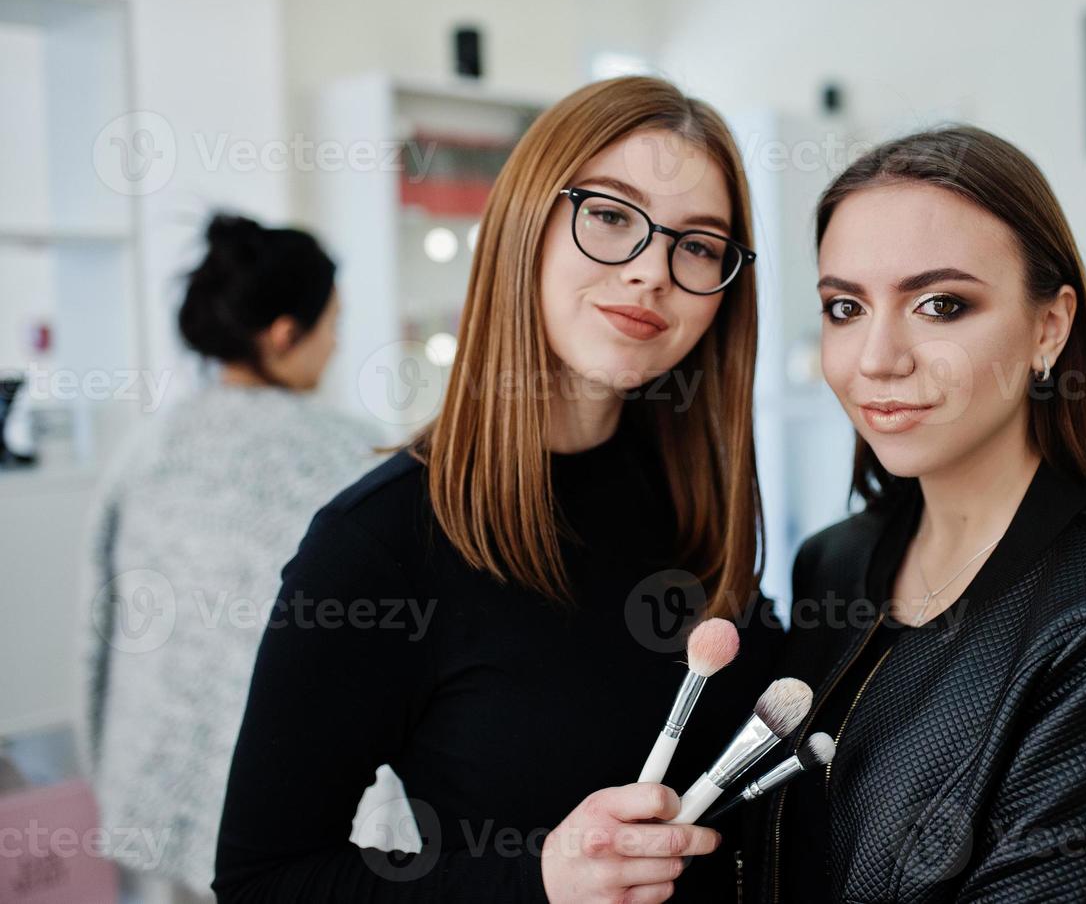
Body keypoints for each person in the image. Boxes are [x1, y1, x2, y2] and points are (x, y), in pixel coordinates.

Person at [212, 76, 786, 904]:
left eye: (698, 245)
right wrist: (536, 881)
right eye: (612, 217)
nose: (653, 272)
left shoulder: (697, 498)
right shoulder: (379, 544)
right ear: (525, 225)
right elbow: (262, 883)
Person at [747, 127, 1086, 903]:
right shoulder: (830, 562)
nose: (876, 358)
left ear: (1048, 328)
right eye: (844, 306)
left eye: (939, 304)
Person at [80, 213, 385, 902]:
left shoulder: (146, 447)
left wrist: (108, 765)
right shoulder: (351, 454)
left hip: (152, 777)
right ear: (283, 334)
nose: (335, 344)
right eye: (331, 323)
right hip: (289, 813)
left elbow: (95, 624)